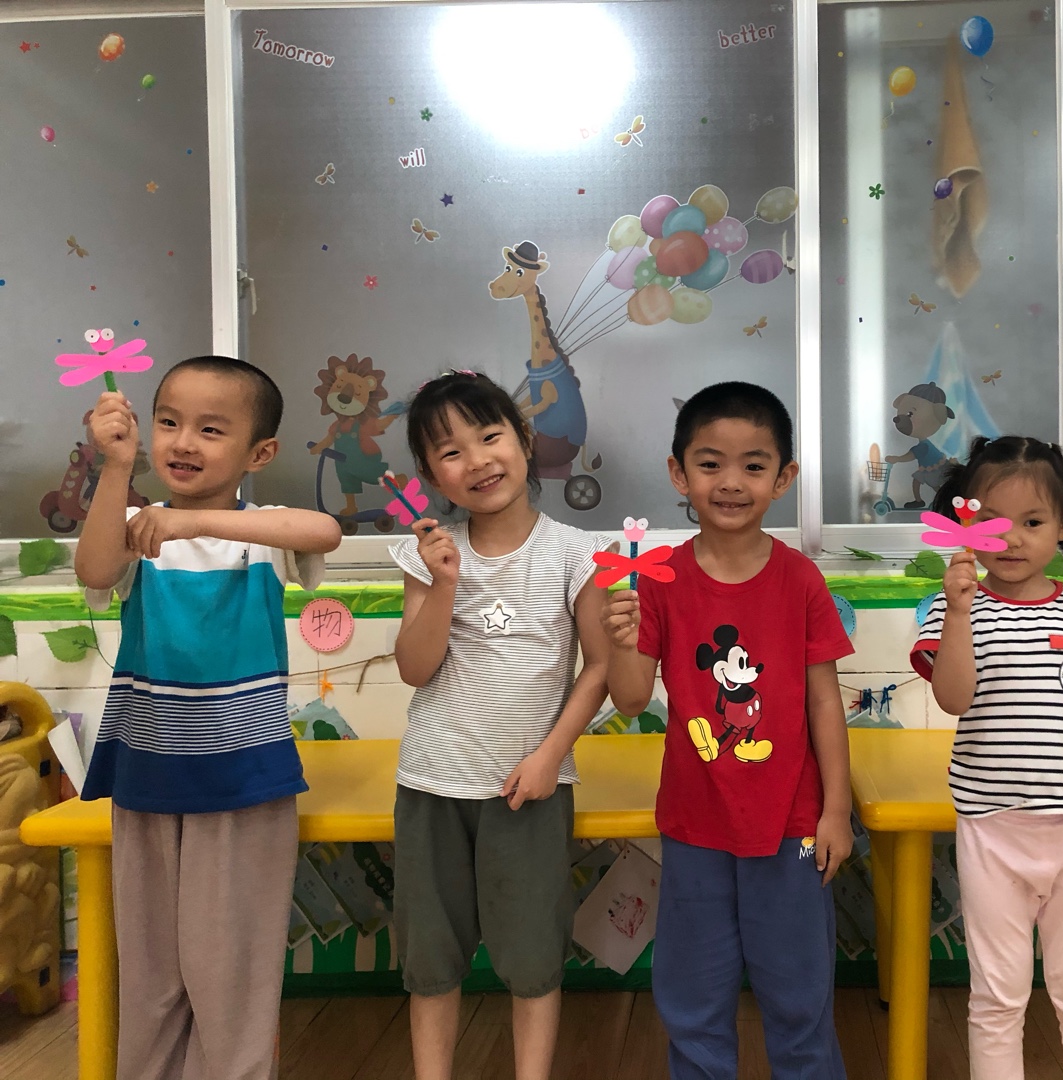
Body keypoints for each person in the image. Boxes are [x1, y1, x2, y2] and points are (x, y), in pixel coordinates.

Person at [74, 357, 343, 1080]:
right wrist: (116, 468)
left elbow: (323, 530)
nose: (183, 441)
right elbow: (95, 570)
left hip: (243, 782)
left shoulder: (259, 533)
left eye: (211, 429)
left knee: (230, 976)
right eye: (168, 422)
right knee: (150, 976)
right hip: (146, 779)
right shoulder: (134, 527)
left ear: (260, 453)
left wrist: (188, 519)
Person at [603, 382, 853, 1079]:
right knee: (693, 1003)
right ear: (678, 473)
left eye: (753, 465)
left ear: (784, 477)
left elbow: (824, 702)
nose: (731, 482)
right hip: (694, 825)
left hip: (794, 824)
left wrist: (836, 810)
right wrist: (620, 638)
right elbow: (630, 699)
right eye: (710, 463)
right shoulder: (656, 581)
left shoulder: (801, 580)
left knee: (800, 1001)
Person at [910, 435, 1063, 1080]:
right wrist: (958, 611)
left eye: (1033, 522)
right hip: (992, 830)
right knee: (998, 1000)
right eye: (995, 524)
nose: (1014, 540)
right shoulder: (953, 609)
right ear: (966, 522)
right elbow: (953, 698)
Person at [388, 370, 611, 1080]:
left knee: (533, 959)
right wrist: (444, 582)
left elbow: (600, 668)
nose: (478, 460)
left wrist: (551, 756)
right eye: (451, 452)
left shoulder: (575, 552)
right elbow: (414, 668)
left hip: (530, 789)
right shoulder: (428, 555)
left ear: (525, 440)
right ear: (432, 475)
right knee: (431, 962)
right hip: (432, 784)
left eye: (490, 437)